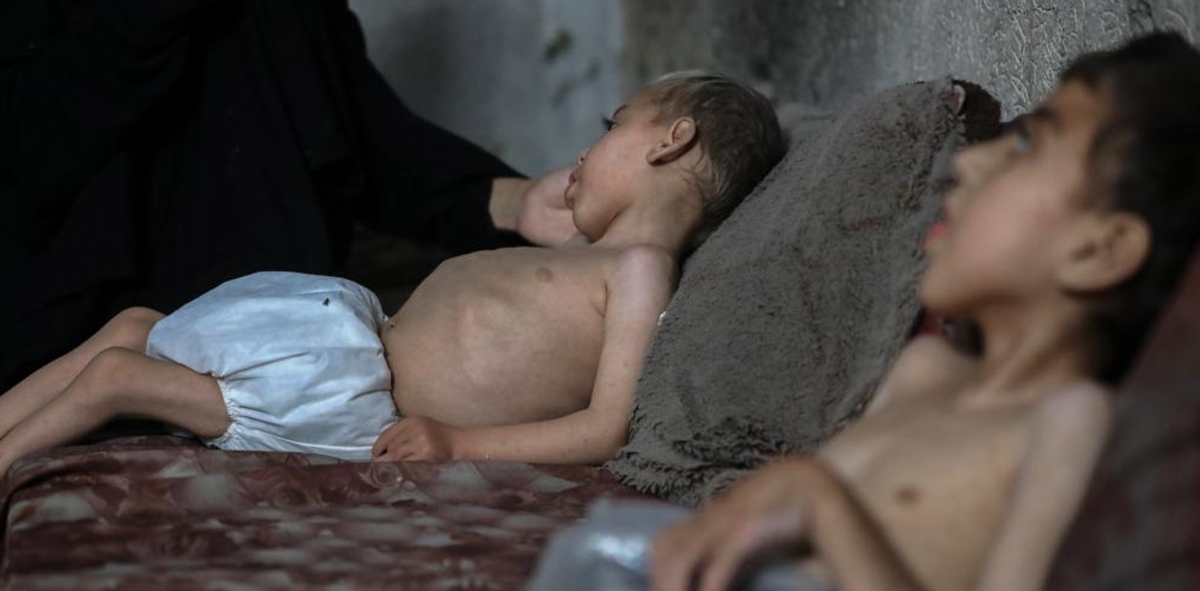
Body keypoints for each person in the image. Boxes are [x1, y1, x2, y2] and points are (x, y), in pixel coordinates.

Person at [9, 31, 1200, 591]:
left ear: (1105, 246)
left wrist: (820, 505)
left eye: (1037, 145)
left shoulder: (1078, 428)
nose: (979, 162)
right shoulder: (930, 383)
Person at [0, 71, 786, 476]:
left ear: (671, 141)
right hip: (335, 344)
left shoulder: (642, 269)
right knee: (137, 327)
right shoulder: (588, 256)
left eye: (609, 127)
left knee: (114, 377)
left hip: (341, 400)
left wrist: (457, 443)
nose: (584, 152)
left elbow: (605, 427)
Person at [0, 0, 577, 395]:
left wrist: (507, 200)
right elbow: (36, 153)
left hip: (271, 346)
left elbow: (355, 136)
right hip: (73, 344)